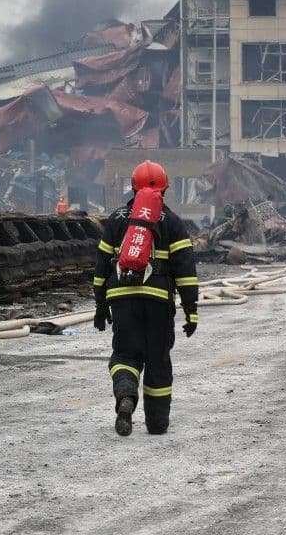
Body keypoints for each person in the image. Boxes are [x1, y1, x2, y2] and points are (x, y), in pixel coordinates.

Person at [92, 160, 199, 436]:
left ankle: (126, 396)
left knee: (125, 354)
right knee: (158, 360)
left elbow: (101, 266)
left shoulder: (116, 219)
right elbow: (185, 270)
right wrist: (191, 310)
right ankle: (157, 423)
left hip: (121, 300)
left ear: (133, 186)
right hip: (158, 302)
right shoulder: (173, 222)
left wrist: (100, 306)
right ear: (164, 189)